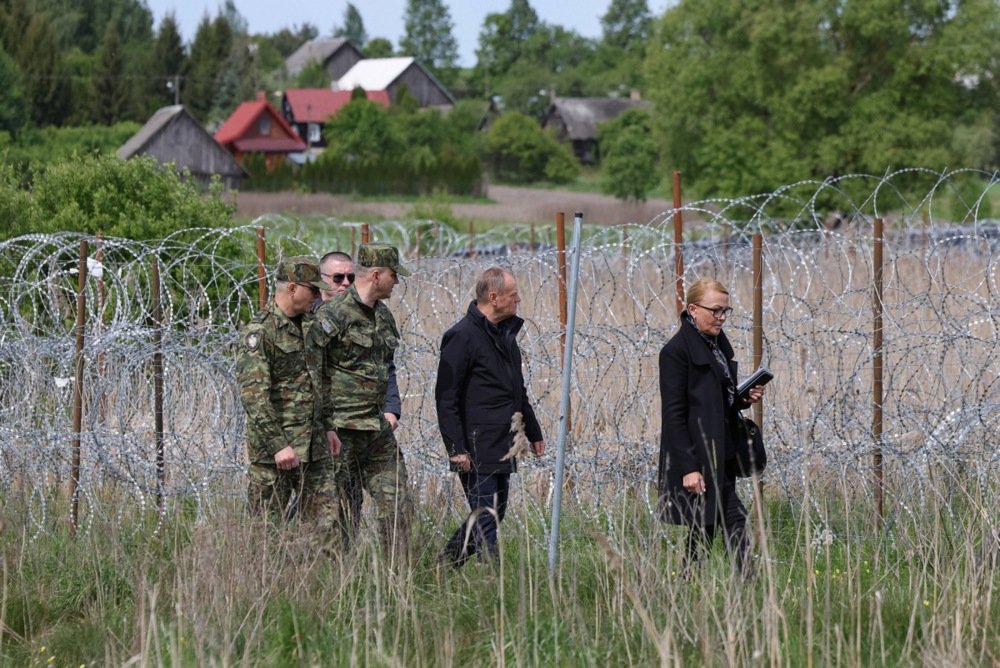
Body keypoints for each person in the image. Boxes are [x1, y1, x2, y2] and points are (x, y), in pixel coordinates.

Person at [307, 243, 412, 559]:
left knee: (399, 505)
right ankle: (335, 583)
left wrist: (391, 408)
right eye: (394, 275)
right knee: (337, 516)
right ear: (377, 275)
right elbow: (312, 371)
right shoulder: (333, 315)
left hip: (376, 431)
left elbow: (387, 366)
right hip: (341, 431)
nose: (397, 282)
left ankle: (398, 581)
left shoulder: (384, 316)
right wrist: (324, 425)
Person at [435, 267, 545, 567]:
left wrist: (534, 433)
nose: (518, 300)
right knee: (486, 522)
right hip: (475, 446)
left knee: (494, 516)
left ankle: (442, 566)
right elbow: (446, 398)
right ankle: (492, 584)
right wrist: (456, 449)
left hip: (503, 442)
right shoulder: (461, 337)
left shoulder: (506, 336)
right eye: (513, 295)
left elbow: (517, 390)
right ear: (493, 297)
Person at [657, 277, 765, 577]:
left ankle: (687, 580)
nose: (721, 317)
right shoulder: (676, 353)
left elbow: (716, 403)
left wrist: (743, 399)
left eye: (725, 311)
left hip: (723, 450)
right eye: (715, 310)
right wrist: (688, 467)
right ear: (693, 309)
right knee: (735, 518)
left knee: (705, 525)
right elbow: (674, 415)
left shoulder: (715, 347)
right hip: (700, 455)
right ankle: (750, 585)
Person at [236, 257, 340, 535]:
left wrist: (329, 427)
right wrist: (277, 444)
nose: (318, 296)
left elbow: (321, 379)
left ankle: (321, 578)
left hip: (314, 446)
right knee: (265, 533)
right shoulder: (260, 332)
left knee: (325, 528)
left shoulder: (311, 327)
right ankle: (268, 580)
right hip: (275, 455)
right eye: (313, 290)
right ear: (292, 288)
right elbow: (254, 396)